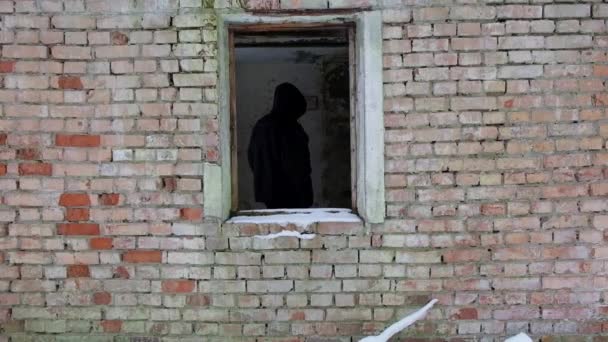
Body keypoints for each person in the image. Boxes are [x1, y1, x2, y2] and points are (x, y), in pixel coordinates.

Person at [247, 82, 313, 209]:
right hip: (293, 192)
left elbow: (252, 156)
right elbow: (295, 162)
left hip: (270, 192)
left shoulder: (261, 125)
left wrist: (263, 177)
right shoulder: (289, 126)